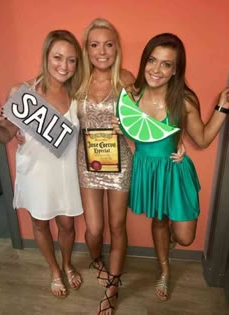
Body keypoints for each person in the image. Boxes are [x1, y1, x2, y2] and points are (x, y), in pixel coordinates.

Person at [114, 32, 229, 302]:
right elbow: (137, 131)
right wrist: (121, 131)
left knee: (185, 237)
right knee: (158, 220)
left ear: (176, 69)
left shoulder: (184, 100)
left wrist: (222, 108)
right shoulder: (132, 95)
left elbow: (201, 139)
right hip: (146, 169)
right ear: (144, 62)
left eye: (166, 64)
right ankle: (164, 270)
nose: (157, 69)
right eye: (152, 61)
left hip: (174, 171)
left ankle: (169, 243)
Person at [0, 30, 84, 297]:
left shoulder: (77, 96)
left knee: (67, 225)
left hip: (65, 174)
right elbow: (5, 136)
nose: (64, 66)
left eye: (71, 60)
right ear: (46, 56)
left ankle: (67, 264)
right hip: (34, 173)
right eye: (57, 57)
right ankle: (54, 270)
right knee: (41, 224)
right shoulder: (22, 93)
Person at [75, 18, 135, 315]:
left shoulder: (126, 79)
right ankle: (97, 258)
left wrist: (176, 142)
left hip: (120, 161)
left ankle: (113, 284)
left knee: (117, 225)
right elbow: (47, 100)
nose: (102, 51)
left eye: (108, 44)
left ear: (116, 48)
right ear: (86, 49)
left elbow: (145, 120)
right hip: (87, 162)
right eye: (95, 44)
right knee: (95, 229)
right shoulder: (77, 81)